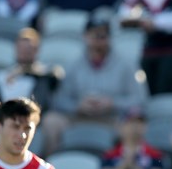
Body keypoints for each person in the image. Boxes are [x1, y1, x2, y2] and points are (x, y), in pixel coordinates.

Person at [41, 17, 149, 156]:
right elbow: (59, 100)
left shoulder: (127, 65)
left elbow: (140, 100)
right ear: (85, 36)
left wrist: (112, 103)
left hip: (112, 118)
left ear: (110, 38)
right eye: (94, 35)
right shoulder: (73, 64)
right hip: (78, 117)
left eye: (102, 36)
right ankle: (53, 168)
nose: (98, 41)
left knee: (134, 125)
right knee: (51, 121)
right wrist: (78, 105)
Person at [118, 0, 172, 95]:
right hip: (149, 47)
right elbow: (125, 11)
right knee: (147, 91)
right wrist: (135, 20)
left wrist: (155, 23)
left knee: (166, 92)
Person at [99, 107, 166, 169]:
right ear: (121, 126)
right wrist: (124, 164)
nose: (135, 126)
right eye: (130, 122)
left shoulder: (154, 155)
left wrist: (133, 166)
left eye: (140, 122)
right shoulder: (110, 155)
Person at [0, 28, 63, 114]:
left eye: (29, 48)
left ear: (37, 50)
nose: (25, 52)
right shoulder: (3, 76)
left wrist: (25, 72)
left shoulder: (45, 73)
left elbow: (57, 75)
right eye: (21, 48)